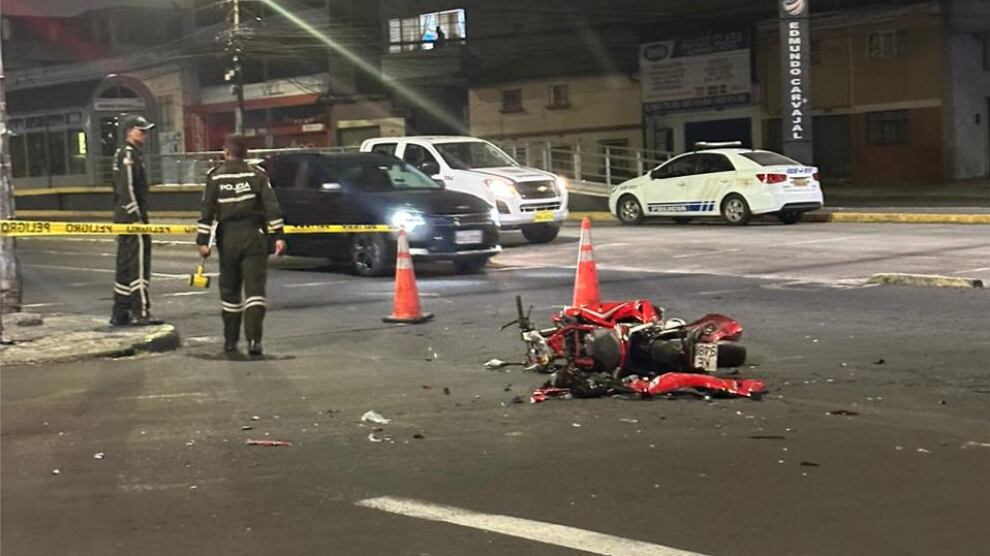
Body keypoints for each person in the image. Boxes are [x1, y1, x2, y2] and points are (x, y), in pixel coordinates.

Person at [196, 135, 285, 355]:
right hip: (254, 235)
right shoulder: (258, 175)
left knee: (230, 291)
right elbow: (271, 207)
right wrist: (278, 237)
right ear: (245, 153)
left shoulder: (215, 177)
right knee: (255, 291)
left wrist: (202, 242)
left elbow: (207, 211)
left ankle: (230, 341)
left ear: (226, 152)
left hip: (228, 238)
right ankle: (254, 341)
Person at [110, 115, 157, 326]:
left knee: (125, 264)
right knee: (138, 264)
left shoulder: (128, 153)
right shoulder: (128, 154)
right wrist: (136, 216)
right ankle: (141, 311)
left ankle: (120, 311)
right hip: (132, 217)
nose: (145, 135)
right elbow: (127, 188)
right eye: (141, 130)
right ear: (129, 131)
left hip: (124, 216)